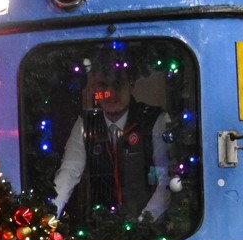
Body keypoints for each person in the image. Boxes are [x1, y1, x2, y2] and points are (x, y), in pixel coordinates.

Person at [52, 57, 170, 222]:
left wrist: (144, 224)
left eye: (117, 84)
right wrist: (49, 215)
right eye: (103, 86)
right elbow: (70, 171)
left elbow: (166, 179)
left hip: (149, 228)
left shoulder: (155, 120)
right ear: (94, 90)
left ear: (131, 85)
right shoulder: (85, 123)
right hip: (101, 228)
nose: (111, 93)